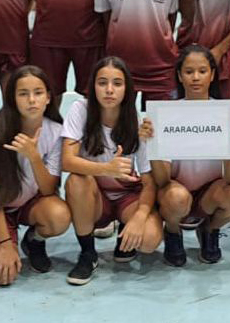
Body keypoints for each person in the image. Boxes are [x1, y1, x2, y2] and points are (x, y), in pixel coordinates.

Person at [142, 46, 230, 266]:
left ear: (212, 75)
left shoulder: (226, 114)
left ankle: (210, 230)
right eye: (189, 71)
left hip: (209, 194)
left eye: (202, 71)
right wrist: (151, 145)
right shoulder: (166, 114)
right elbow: (162, 181)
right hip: (176, 191)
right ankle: (173, 232)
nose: (195, 77)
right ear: (180, 76)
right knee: (175, 198)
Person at [61, 57, 160, 285]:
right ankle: (88, 253)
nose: (109, 90)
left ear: (127, 89)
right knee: (76, 181)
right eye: (102, 82)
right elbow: (66, 161)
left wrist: (140, 216)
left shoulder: (137, 122)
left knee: (150, 239)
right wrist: (106, 169)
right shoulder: (80, 110)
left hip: (127, 195)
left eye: (117, 83)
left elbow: (148, 181)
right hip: (96, 196)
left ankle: (125, 230)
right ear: (92, 86)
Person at [0, 66, 72, 284]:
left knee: (59, 216)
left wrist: (34, 156)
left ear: (48, 98)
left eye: (38, 93)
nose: (31, 100)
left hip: (30, 204)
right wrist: (6, 244)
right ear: (12, 99)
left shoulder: (56, 131)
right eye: (23, 94)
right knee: (3, 277)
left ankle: (33, 240)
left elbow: (48, 189)